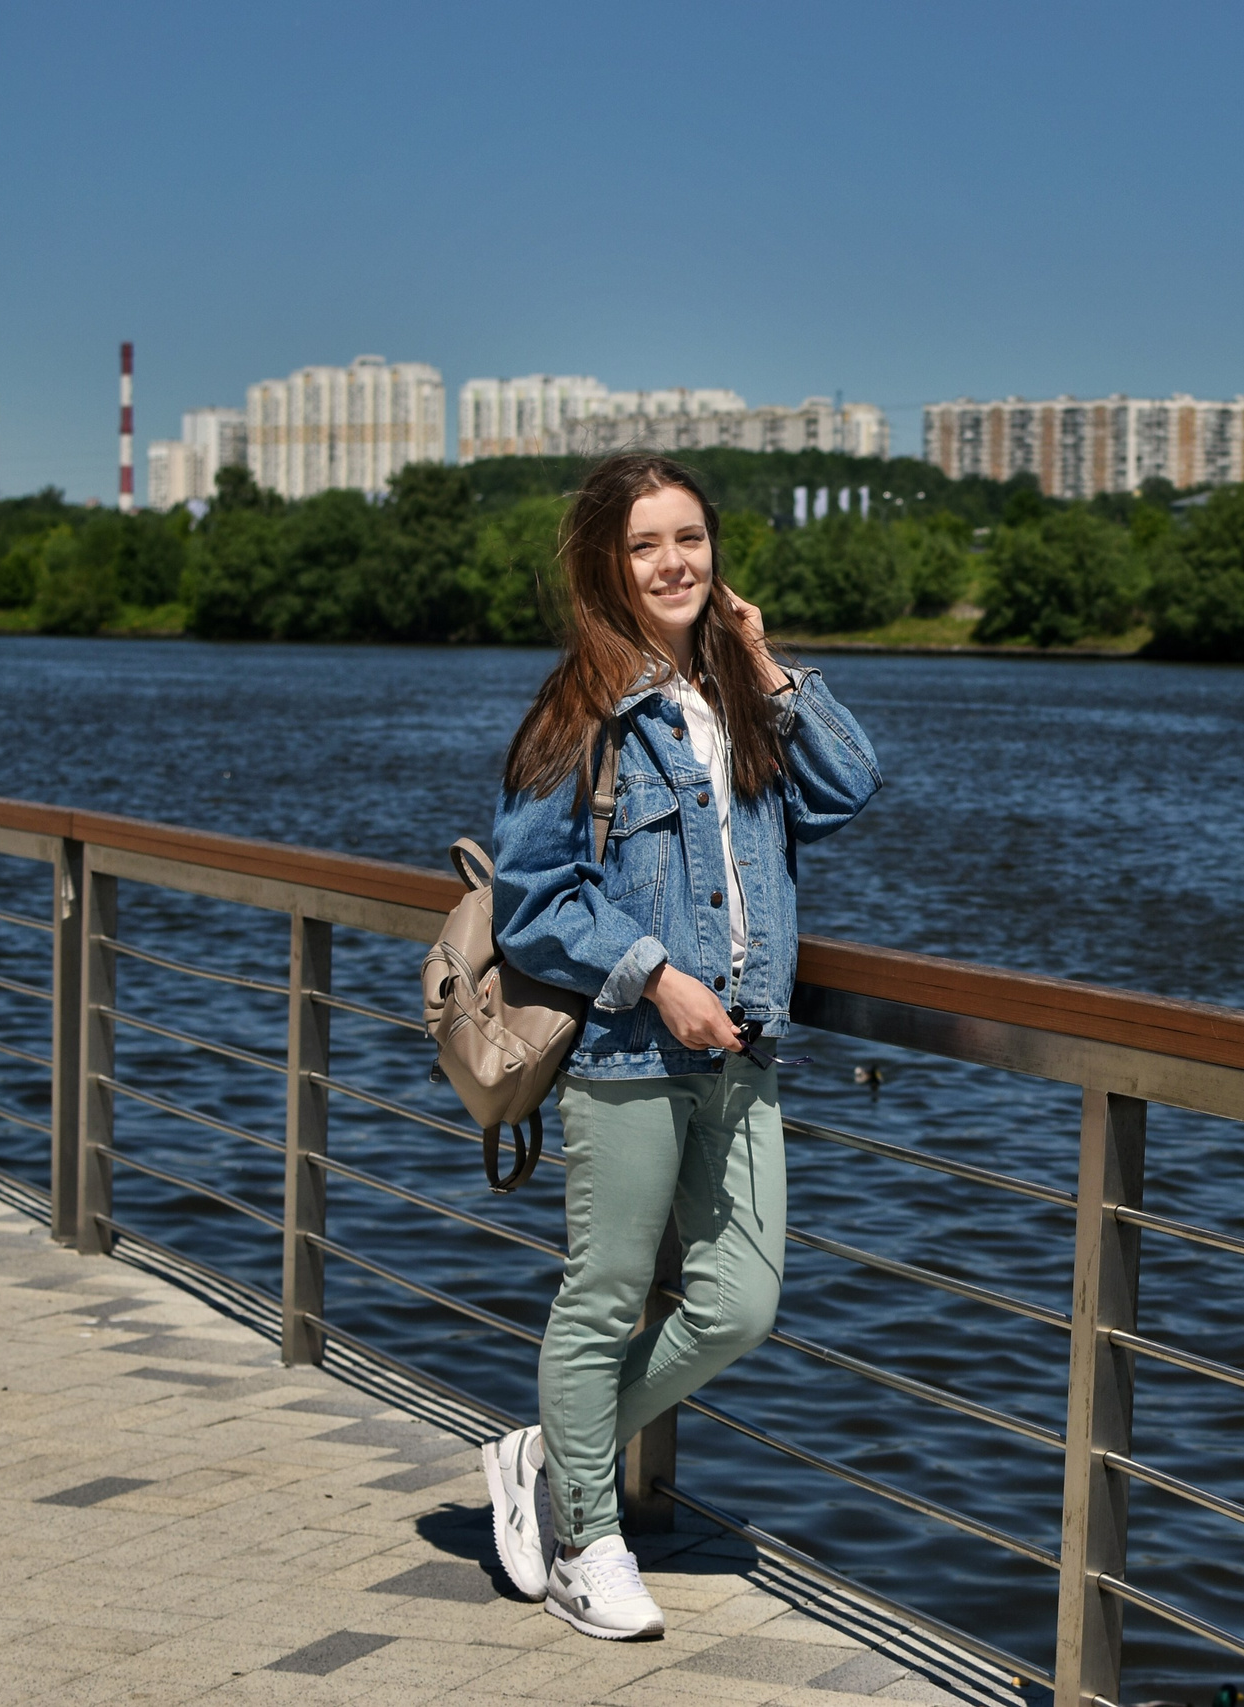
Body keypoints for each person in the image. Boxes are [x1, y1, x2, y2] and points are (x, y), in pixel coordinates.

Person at [477, 452, 881, 1639]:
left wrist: (761, 660)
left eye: (690, 539)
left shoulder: (735, 698)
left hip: (744, 1051)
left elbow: (850, 788)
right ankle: (587, 1544)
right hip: (628, 1054)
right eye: (646, 544)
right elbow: (533, 900)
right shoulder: (578, 713)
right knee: (604, 1296)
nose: (672, 563)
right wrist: (656, 978)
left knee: (742, 1306)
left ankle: (550, 1451)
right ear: (609, 563)